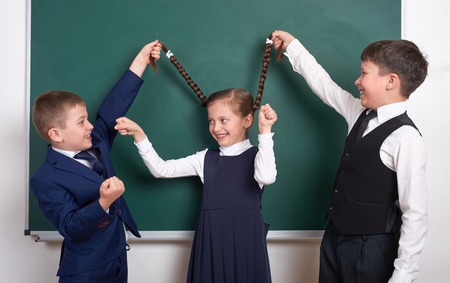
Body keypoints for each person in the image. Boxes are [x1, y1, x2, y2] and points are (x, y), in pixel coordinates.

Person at [271, 30, 428, 283]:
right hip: (334, 237)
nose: (357, 80)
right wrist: (293, 46)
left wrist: (402, 276)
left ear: (391, 81)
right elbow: (324, 85)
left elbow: (415, 212)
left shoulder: (406, 138)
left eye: (364, 73)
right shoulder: (359, 113)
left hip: (372, 249)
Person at [30, 40, 161, 283]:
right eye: (81, 122)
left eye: (87, 118)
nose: (90, 126)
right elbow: (70, 226)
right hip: (86, 270)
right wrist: (103, 202)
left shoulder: (96, 142)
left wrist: (143, 59)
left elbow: (115, 105)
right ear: (56, 134)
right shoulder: (45, 178)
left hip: (117, 258)